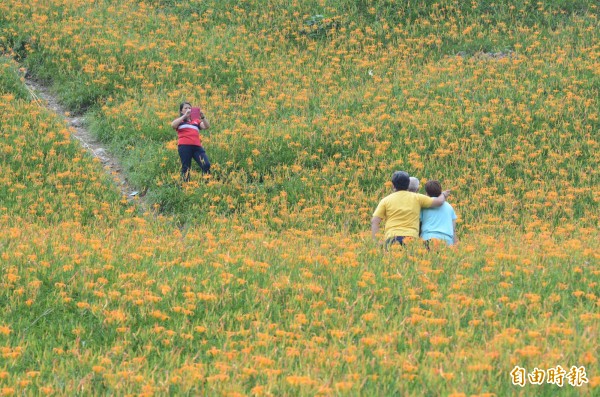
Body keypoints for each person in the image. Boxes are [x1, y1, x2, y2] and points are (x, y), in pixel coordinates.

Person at [371, 171, 450, 246]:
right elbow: (439, 202)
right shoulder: (417, 197)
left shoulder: (385, 200)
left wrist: (376, 241)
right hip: (411, 238)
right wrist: (443, 194)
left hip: (392, 237)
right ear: (408, 184)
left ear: (393, 185)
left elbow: (375, 221)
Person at [171, 101, 211, 181]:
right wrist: (184, 116)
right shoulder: (180, 121)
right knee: (186, 167)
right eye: (185, 108)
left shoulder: (196, 121)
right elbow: (173, 125)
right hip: (184, 147)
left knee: (206, 164)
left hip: (197, 147)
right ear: (181, 111)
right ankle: (185, 186)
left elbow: (206, 126)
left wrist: (203, 117)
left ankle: (206, 183)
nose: (188, 109)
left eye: (189, 108)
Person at [420, 180, 457, 246]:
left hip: (429, 237)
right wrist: (456, 245)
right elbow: (453, 229)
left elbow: (419, 224)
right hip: (447, 240)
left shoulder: (424, 206)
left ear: (426, 193)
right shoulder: (449, 206)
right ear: (440, 191)